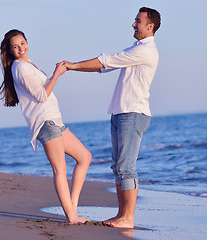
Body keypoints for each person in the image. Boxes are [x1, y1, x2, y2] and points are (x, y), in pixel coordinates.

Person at [61, 7, 161, 228]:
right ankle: (121, 215)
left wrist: (72, 65)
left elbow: (107, 60)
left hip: (133, 114)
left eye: (137, 21)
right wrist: (73, 69)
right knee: (118, 167)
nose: (133, 24)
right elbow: (103, 68)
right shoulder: (136, 48)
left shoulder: (146, 51)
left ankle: (128, 218)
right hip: (120, 112)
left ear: (150, 26)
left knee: (127, 167)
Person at [0, 29, 91, 224]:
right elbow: (42, 95)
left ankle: (72, 207)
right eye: (15, 46)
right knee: (60, 169)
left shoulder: (29, 65)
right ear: (10, 51)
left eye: (23, 43)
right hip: (45, 123)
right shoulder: (20, 68)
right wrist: (57, 74)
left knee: (85, 157)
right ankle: (71, 216)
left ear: (27, 42)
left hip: (56, 121)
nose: (21, 48)